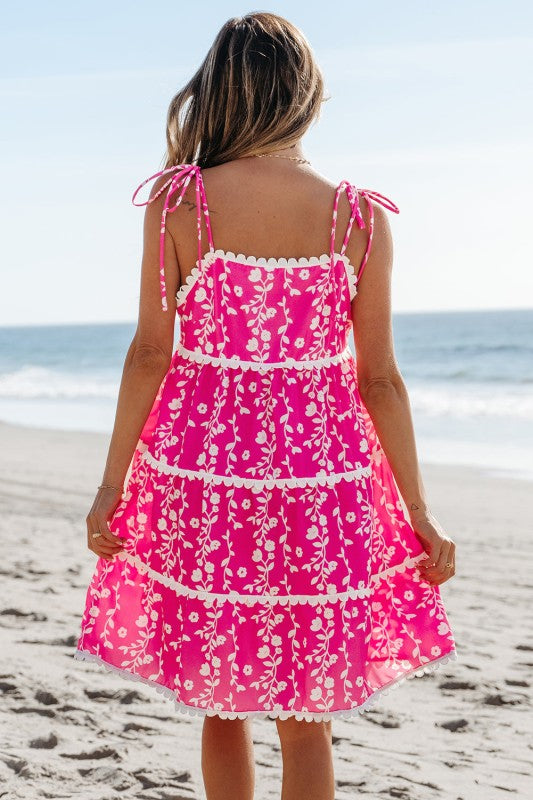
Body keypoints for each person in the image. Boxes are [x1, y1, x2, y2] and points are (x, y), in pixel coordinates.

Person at [74, 11, 458, 800]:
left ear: (218, 92)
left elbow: (150, 354)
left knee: (220, 696)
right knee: (305, 712)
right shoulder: (356, 216)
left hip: (207, 475)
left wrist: (112, 486)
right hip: (322, 481)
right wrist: (418, 510)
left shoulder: (179, 203)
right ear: (307, 96)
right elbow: (379, 381)